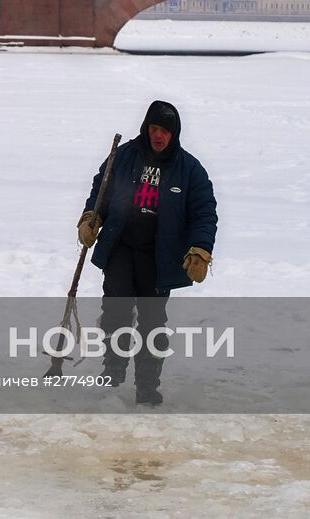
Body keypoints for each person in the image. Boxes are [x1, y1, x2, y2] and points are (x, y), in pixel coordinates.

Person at [77, 100, 218, 406]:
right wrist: (92, 216)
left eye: (165, 130)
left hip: (159, 256)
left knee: (153, 322)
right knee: (116, 312)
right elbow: (102, 187)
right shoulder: (125, 155)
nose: (159, 135)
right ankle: (112, 376)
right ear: (146, 128)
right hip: (121, 248)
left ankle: (147, 387)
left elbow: (204, 212)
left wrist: (201, 247)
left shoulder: (189, 169)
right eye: (154, 128)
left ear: (174, 133)